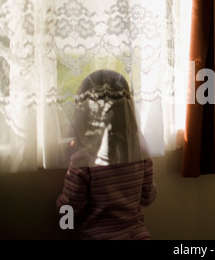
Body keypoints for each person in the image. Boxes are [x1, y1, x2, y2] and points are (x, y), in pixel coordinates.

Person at [56, 70, 157, 240]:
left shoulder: (84, 161)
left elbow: (71, 209)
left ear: (86, 115)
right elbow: (148, 198)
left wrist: (60, 205)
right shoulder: (140, 152)